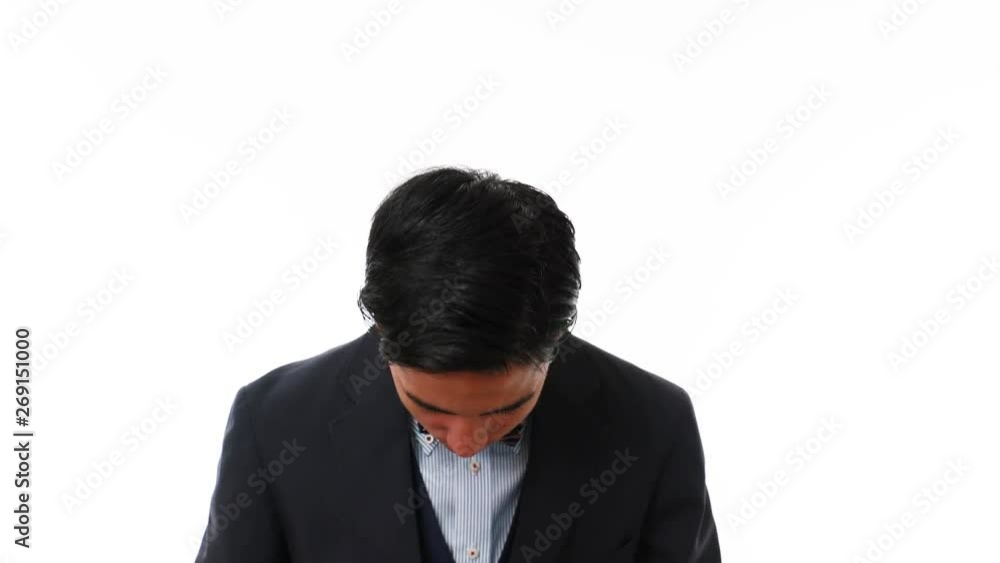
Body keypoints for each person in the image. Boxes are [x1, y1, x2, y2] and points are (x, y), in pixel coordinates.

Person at [194, 166, 722, 563]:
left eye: (504, 410)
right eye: (432, 410)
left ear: (555, 341)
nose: (467, 441)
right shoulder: (276, 421)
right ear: (382, 330)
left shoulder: (654, 422)